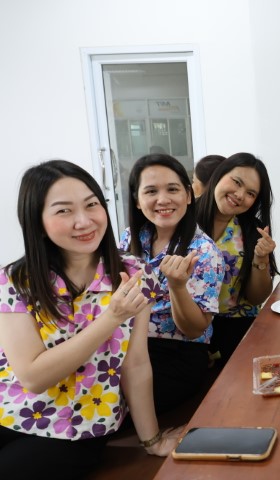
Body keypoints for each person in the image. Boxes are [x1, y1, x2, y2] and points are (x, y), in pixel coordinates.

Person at [0, 160, 178, 479]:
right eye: (64, 211)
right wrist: (113, 318)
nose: (84, 221)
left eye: (92, 204)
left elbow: (136, 364)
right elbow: (31, 376)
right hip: (9, 407)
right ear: (37, 222)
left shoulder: (135, 274)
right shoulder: (14, 281)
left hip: (77, 424)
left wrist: (152, 441)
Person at [119, 153, 224, 413]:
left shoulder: (203, 251)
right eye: (151, 191)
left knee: (112, 401)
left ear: (188, 195)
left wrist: (177, 287)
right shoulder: (131, 237)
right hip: (126, 345)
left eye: (173, 189)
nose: (163, 199)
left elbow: (194, 330)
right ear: (137, 200)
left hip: (175, 353)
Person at [196, 152, 280, 367]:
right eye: (236, 182)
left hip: (236, 329)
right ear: (219, 174)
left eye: (251, 193)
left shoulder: (252, 230)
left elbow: (256, 298)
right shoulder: (182, 218)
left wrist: (261, 259)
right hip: (185, 330)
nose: (240, 195)